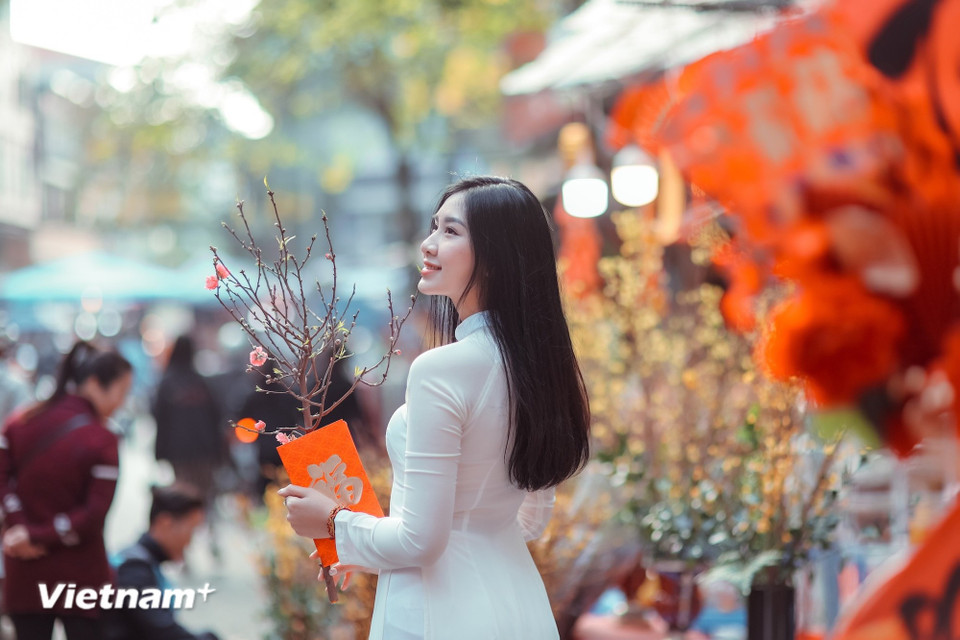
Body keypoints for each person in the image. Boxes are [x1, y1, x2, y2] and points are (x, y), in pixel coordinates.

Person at [280, 176, 591, 639]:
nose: (428, 244)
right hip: (515, 596)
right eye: (433, 228)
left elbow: (420, 541)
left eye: (450, 231)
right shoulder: (538, 366)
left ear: (497, 253)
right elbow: (528, 520)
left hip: (439, 611)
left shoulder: (441, 369)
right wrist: (359, 542)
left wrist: (332, 520)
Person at [0, 341, 132, 640]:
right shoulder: (102, 438)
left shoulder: (20, 422)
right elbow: (93, 514)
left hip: (24, 571)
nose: (122, 403)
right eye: (122, 392)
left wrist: (22, 531)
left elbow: (2, 480)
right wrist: (42, 534)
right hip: (81, 575)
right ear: (96, 384)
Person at [103, 484, 220, 640]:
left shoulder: (139, 561)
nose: (190, 543)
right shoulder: (133, 569)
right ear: (166, 523)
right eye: (191, 530)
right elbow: (163, 633)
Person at [151, 336, 228, 558]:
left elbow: (158, 418)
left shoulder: (166, 383)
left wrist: (160, 452)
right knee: (206, 498)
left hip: (179, 453)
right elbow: (218, 417)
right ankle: (214, 541)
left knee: (183, 500)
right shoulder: (202, 382)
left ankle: (185, 552)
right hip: (205, 452)